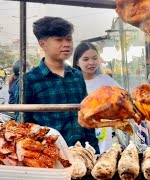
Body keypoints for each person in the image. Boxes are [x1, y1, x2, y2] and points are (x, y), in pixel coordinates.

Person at [15, 17, 99, 152]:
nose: (66, 44)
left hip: (82, 152)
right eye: (59, 40)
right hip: (50, 154)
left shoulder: (77, 75)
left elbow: (86, 115)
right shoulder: (29, 80)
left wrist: (94, 150)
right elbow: (23, 125)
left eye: (69, 39)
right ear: (43, 44)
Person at [73, 42, 121, 153]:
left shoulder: (105, 80)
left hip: (104, 132)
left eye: (94, 58)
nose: (91, 63)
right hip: (80, 133)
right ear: (77, 62)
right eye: (85, 59)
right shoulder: (72, 83)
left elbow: (123, 97)